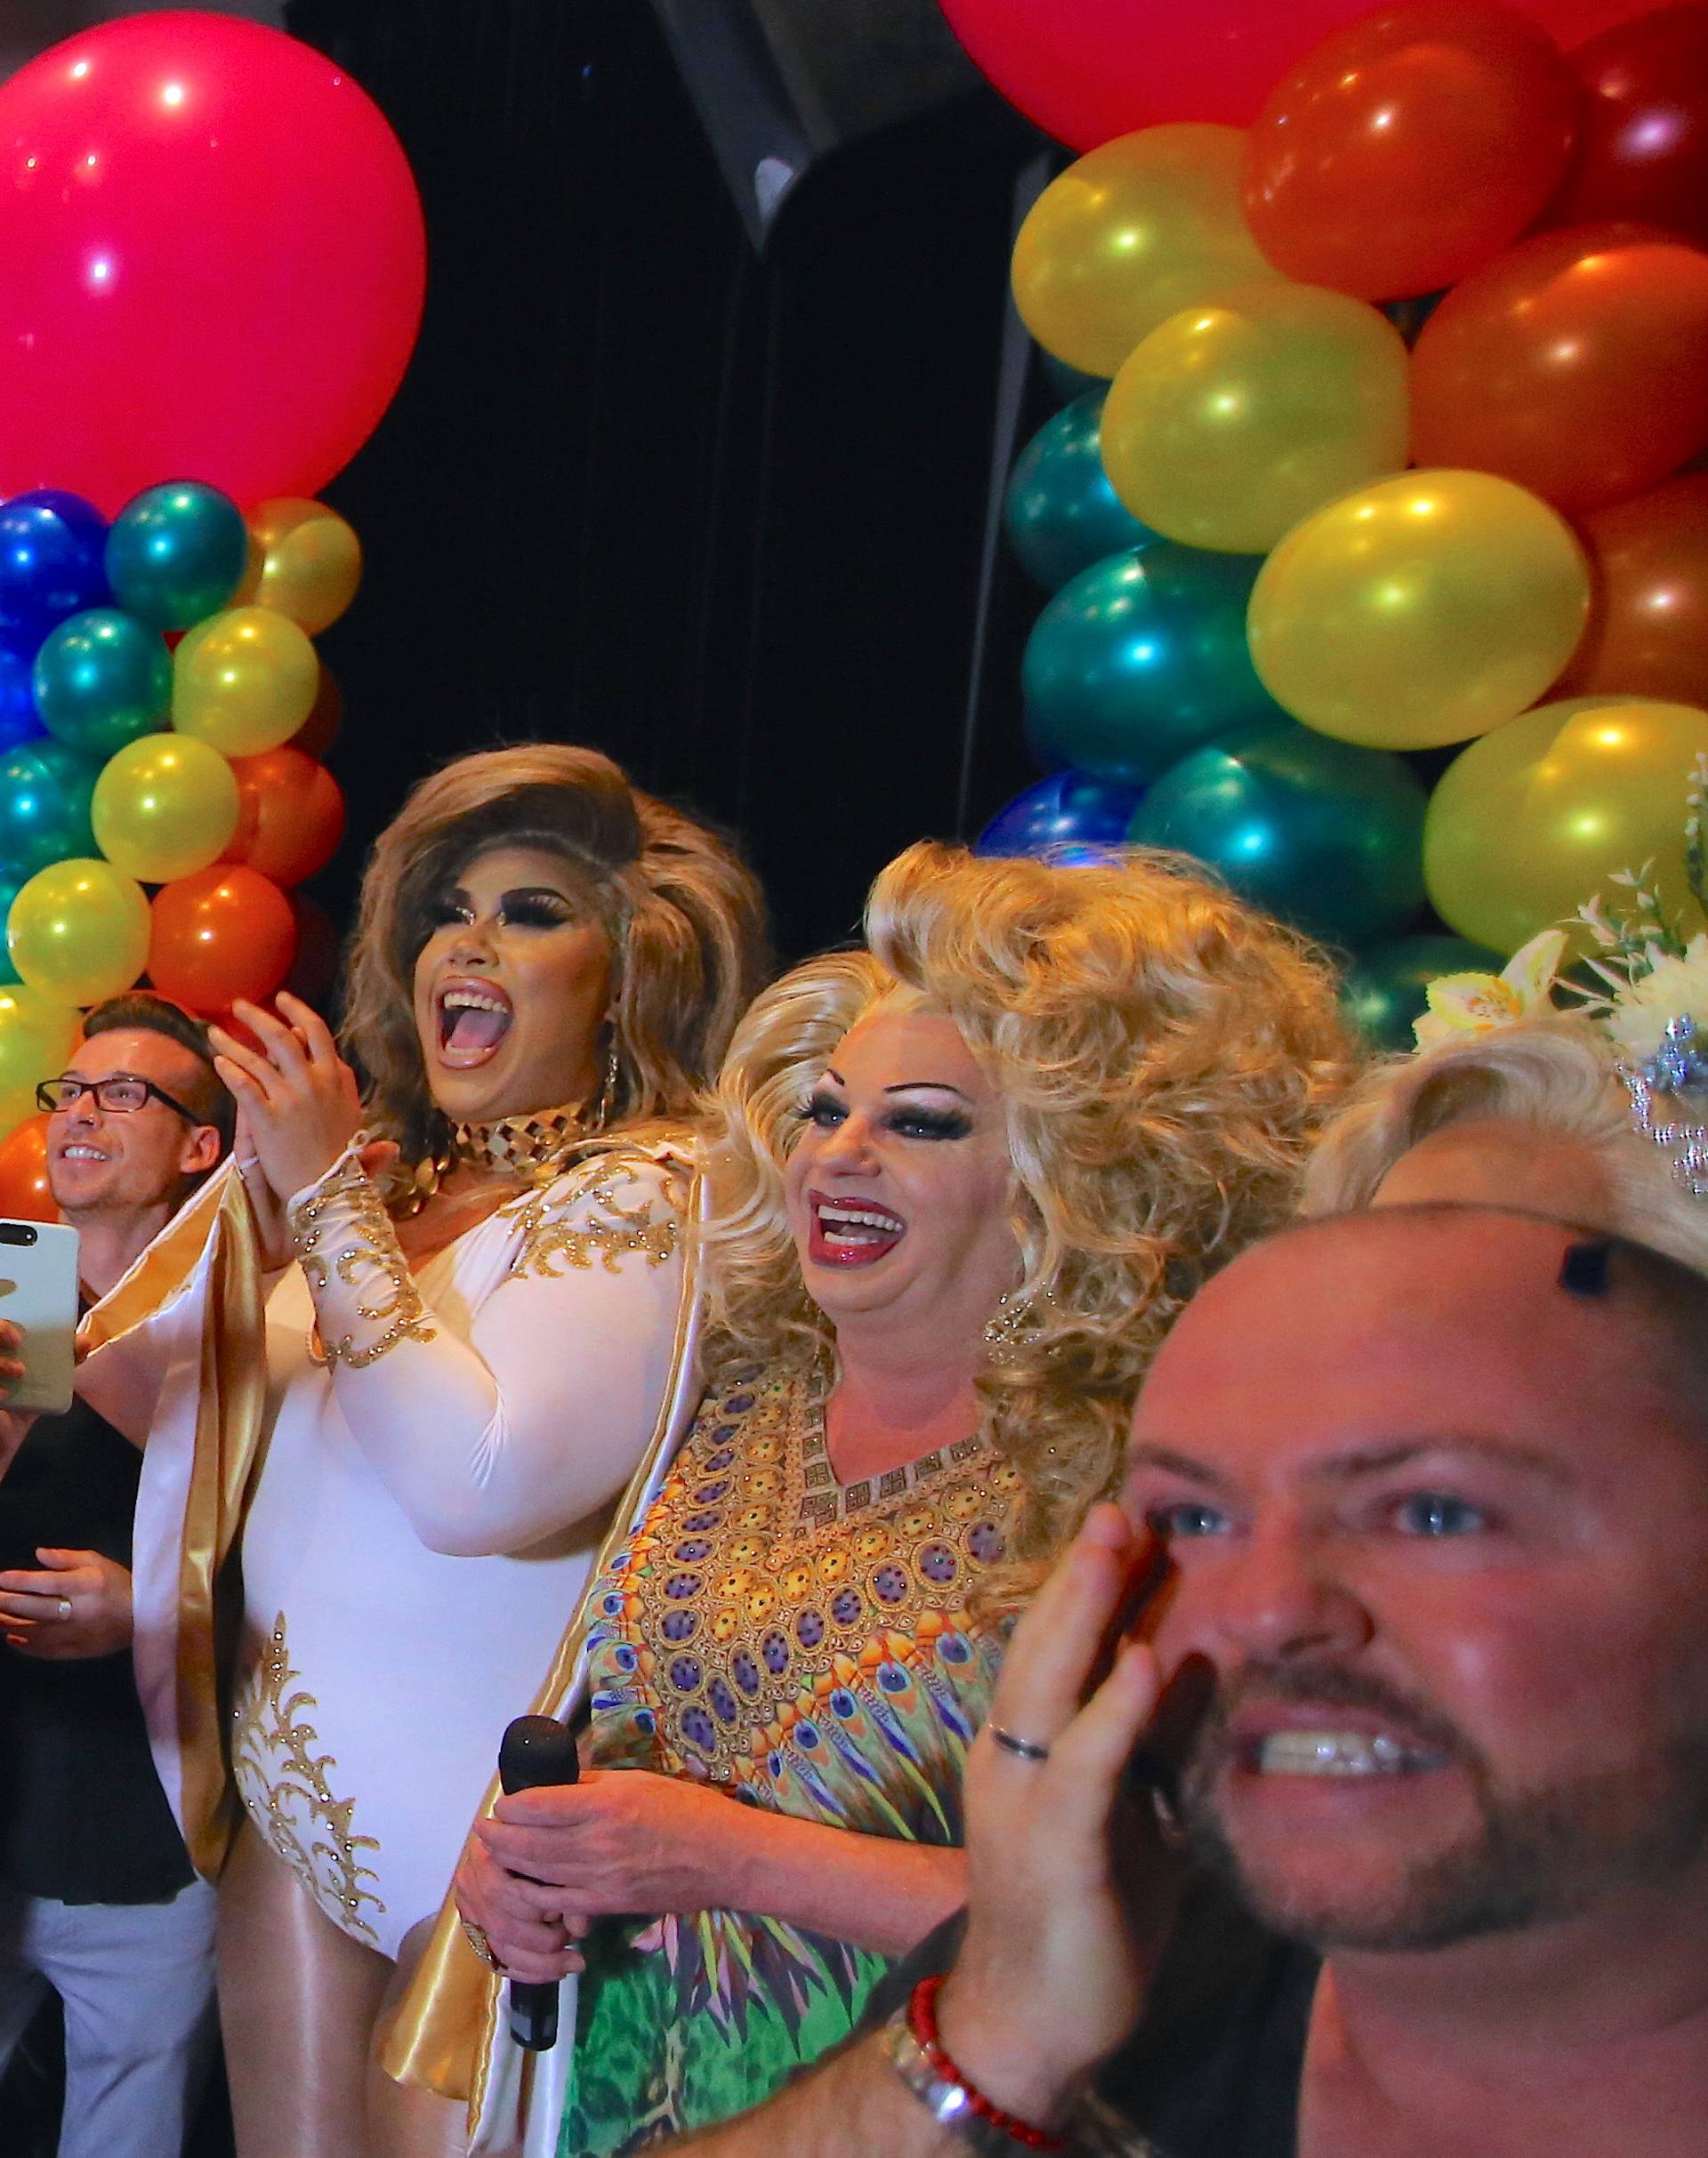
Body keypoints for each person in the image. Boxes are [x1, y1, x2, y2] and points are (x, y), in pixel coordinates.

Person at [443, 840, 1352, 2154]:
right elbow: (644, 1735)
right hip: (627, 2102)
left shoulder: (1150, 1481)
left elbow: (1189, 1922)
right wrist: (529, 1862)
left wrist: (724, 1856)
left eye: (921, 1121)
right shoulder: (735, 1386)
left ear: (1077, 1168)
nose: (840, 1155)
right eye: (824, 1109)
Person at [658, 1203, 1708, 2157]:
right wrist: (994, 2049)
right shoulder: (1105, 1974)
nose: (1266, 1608)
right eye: (1195, 1519)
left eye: (1434, 1512)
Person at [73, 745, 769, 2158]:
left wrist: (323, 1202)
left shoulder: (656, 1186)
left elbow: (474, 1486)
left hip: (479, 1866)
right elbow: (205, 1452)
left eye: (531, 909)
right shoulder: (386, 1186)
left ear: (631, 967)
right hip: (286, 1824)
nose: (471, 937)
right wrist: (132, 1271)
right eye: (453, 907)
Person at [0, 994, 234, 2158]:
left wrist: (149, 1612)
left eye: (125, 1092)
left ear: (203, 1146)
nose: (83, 1112)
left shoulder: (249, 1324)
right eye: (71, 1091)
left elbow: (309, 1581)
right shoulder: (16, 1288)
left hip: (146, 1853)